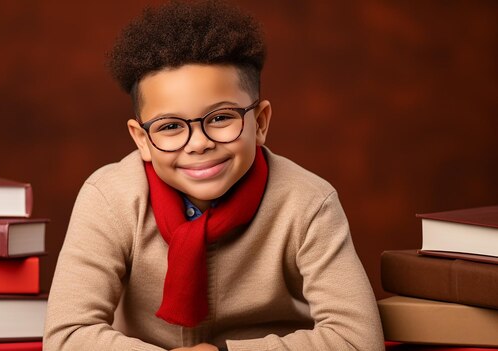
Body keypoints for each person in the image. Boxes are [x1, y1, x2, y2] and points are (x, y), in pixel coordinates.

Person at [43, 1, 384, 350]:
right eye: (171, 126)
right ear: (142, 140)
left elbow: (358, 339)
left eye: (221, 118)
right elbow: (67, 336)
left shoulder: (309, 202)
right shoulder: (109, 198)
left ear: (261, 122)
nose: (199, 144)